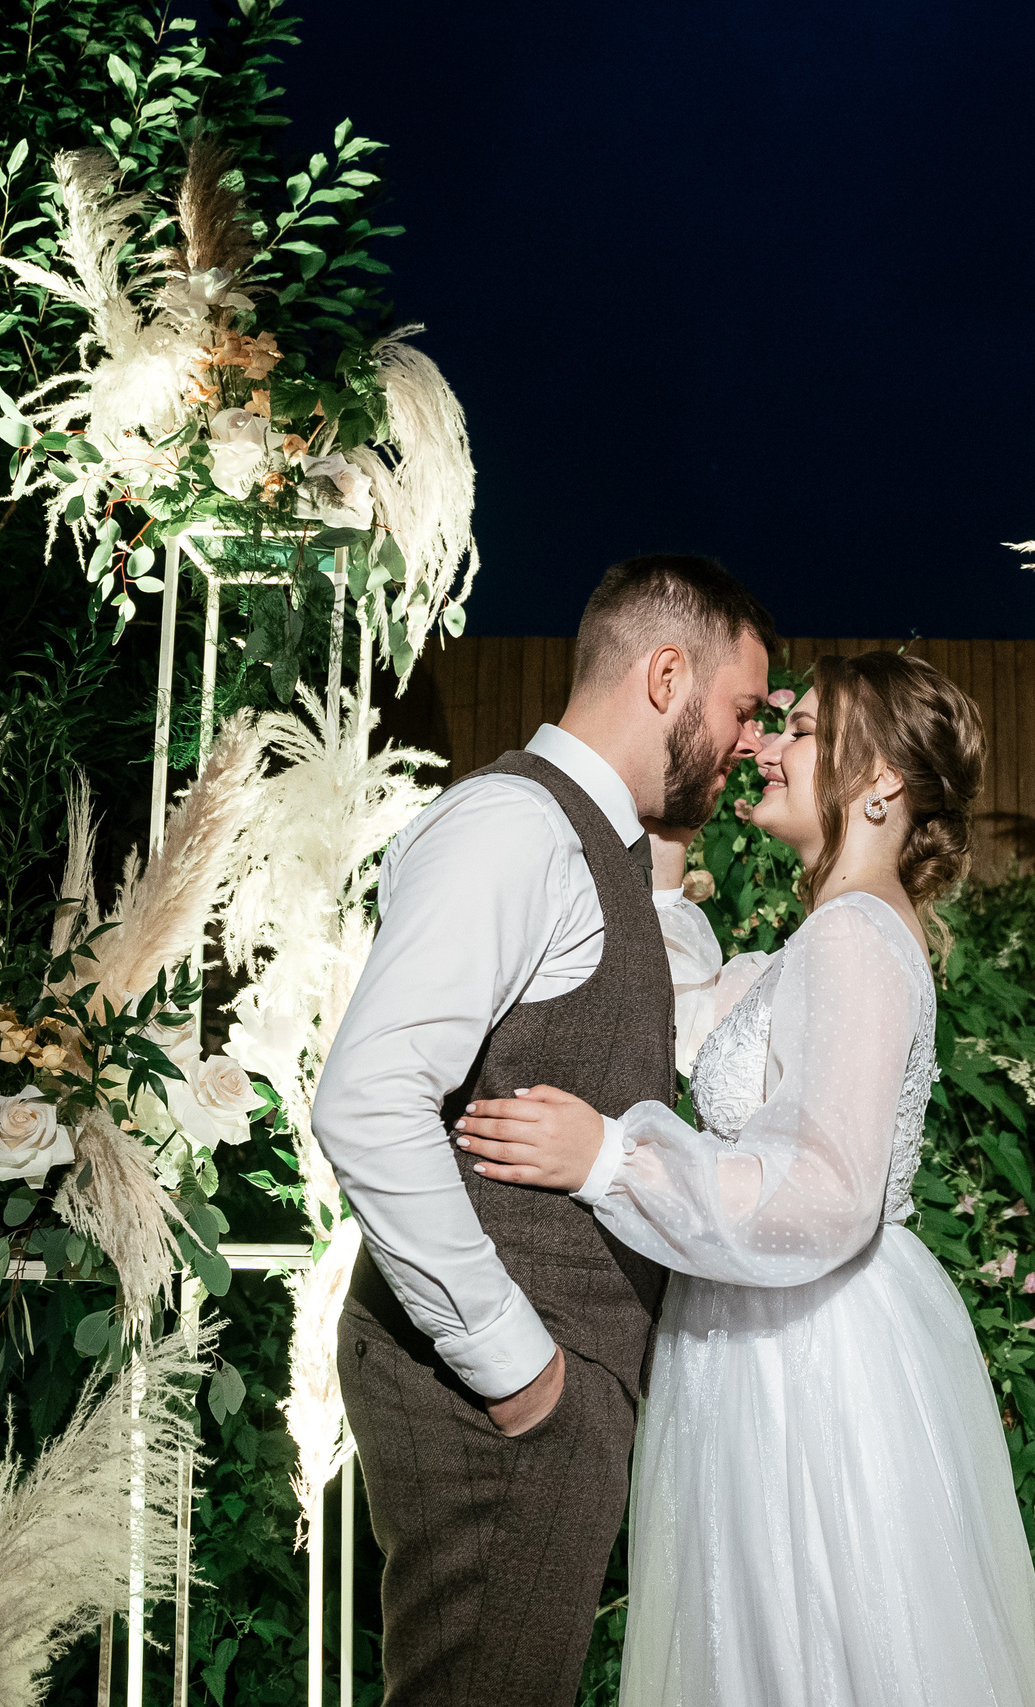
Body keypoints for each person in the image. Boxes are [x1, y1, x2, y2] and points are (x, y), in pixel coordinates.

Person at [453, 652, 1035, 1707]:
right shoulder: (834, 935)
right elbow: (709, 1022)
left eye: (805, 730)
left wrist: (608, 1159)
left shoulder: (854, 939)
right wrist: (661, 865)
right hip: (777, 1337)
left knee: (806, 1644)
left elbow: (826, 1192)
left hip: (810, 1360)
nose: (771, 747)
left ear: (881, 782)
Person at [314, 554, 775, 1707]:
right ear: (664, 677)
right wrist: (519, 1373)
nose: (749, 741)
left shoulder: (599, 847)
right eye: (740, 709)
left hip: (551, 1393)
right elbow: (367, 1097)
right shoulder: (515, 828)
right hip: (502, 1401)